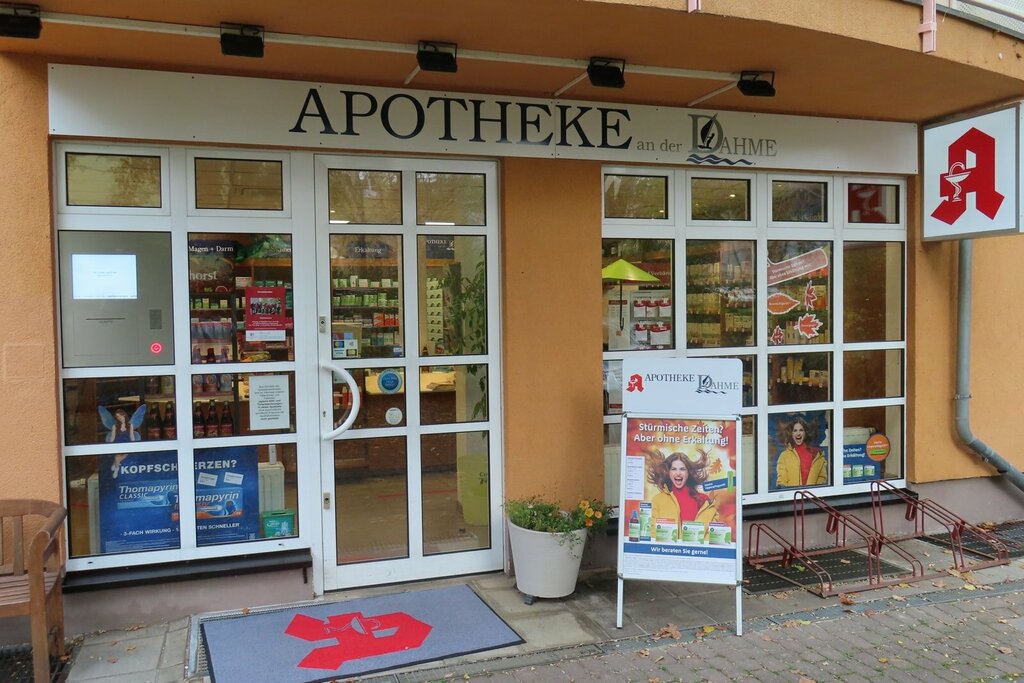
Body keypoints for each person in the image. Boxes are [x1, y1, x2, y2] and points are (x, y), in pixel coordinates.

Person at [648, 449, 717, 533]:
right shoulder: (658, 500)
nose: (678, 473)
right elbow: (653, 533)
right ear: (668, 472)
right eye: (673, 469)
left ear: (688, 472)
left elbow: (711, 533)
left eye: (682, 469)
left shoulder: (703, 500)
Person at [775, 415, 828, 488]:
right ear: (791, 433)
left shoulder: (816, 454)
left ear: (805, 432)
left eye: (801, 430)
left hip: (811, 494)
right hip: (793, 494)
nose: (798, 433)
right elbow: (781, 481)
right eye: (795, 430)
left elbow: (822, 478)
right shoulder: (784, 456)